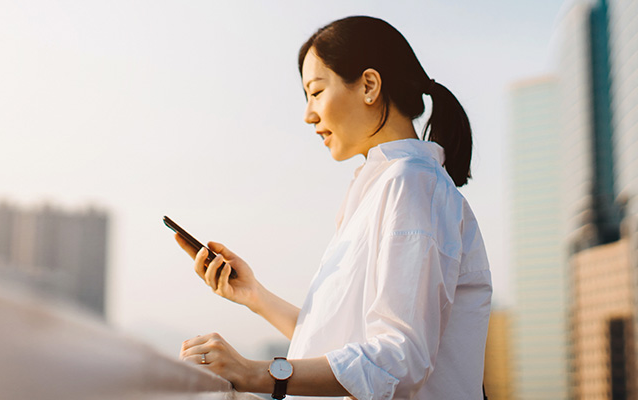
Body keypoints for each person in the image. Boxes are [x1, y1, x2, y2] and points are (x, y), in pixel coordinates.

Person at [176, 16, 491, 400]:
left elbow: (398, 358)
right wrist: (254, 295)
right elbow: (341, 340)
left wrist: (255, 372)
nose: (309, 114)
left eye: (315, 92)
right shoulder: (382, 188)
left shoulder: (410, 184)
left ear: (369, 86)